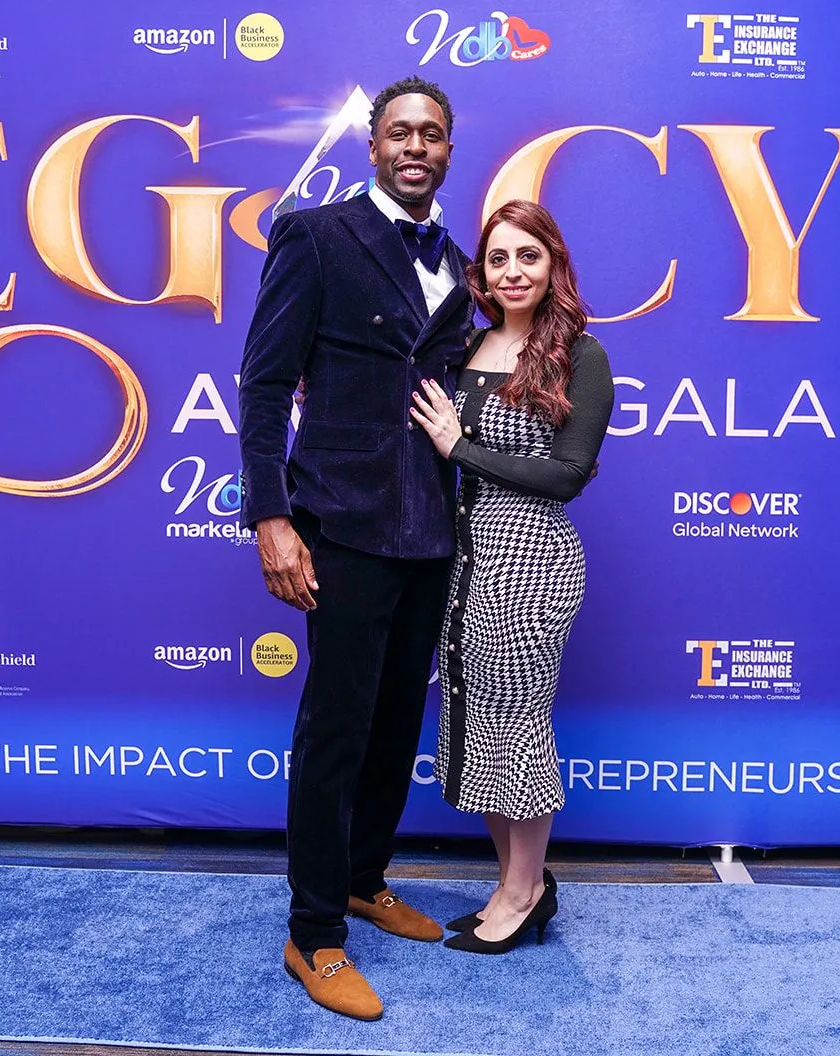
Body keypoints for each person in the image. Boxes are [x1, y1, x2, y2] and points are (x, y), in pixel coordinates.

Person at [237, 76, 473, 1020]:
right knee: (335, 729)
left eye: (432, 134)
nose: (416, 146)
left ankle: (365, 879)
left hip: (429, 531)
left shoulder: (459, 262)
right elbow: (264, 386)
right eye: (400, 132)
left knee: (395, 723)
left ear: (448, 150)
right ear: (373, 146)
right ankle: (313, 932)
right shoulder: (316, 235)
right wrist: (272, 517)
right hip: (341, 521)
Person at [408, 199, 613, 954]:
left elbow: (566, 477)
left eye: (529, 255)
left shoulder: (580, 355)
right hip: (466, 560)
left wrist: (460, 449)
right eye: (499, 258)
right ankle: (512, 883)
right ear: (482, 273)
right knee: (480, 726)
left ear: (554, 263)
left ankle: (525, 893)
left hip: (533, 560)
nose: (513, 271)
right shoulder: (467, 346)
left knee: (518, 728)